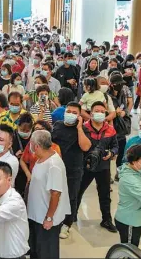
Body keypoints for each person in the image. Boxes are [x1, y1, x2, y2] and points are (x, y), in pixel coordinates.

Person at [27, 130, 71, 259]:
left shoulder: (53, 165)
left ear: (37, 146)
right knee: (36, 250)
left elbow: (55, 193)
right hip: (36, 215)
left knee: (47, 253)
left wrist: (49, 218)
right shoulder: (41, 159)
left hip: (46, 219)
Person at [52, 102, 92, 239]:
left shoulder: (83, 130)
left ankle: (67, 224)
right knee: (54, 194)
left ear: (80, 116)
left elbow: (86, 147)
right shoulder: (57, 125)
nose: (71, 114)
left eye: (75, 113)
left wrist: (80, 128)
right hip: (56, 167)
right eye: (68, 111)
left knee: (71, 197)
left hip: (73, 169)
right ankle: (55, 219)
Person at [77, 101, 119, 233]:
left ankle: (106, 220)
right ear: (91, 113)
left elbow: (115, 146)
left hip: (103, 166)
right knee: (78, 191)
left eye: (102, 111)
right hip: (86, 166)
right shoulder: (83, 128)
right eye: (97, 110)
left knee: (105, 194)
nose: (100, 113)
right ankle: (71, 216)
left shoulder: (110, 130)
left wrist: (112, 153)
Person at [114, 145, 141, 247]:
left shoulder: (136, 171)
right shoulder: (129, 179)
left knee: (133, 248)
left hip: (137, 219)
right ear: (134, 162)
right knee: (129, 250)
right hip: (130, 221)